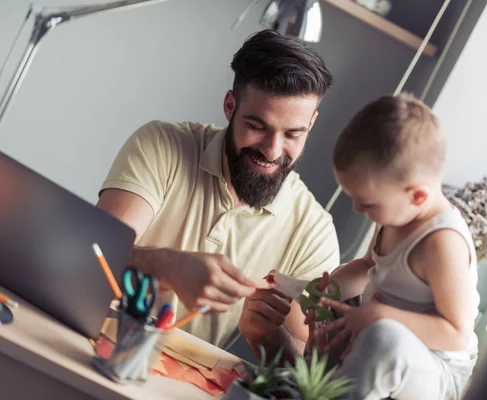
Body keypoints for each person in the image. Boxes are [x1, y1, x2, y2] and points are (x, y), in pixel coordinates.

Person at [96, 29, 340, 363]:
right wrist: (164, 265)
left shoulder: (313, 230)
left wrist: (267, 336)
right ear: (230, 106)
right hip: (93, 344)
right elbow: (93, 251)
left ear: (310, 125)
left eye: (292, 134)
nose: (272, 150)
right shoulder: (161, 144)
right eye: (257, 126)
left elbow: (313, 368)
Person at [307, 93, 480, 400]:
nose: (358, 209)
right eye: (353, 197)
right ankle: (314, 389)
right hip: (380, 336)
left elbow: (455, 333)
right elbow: (367, 267)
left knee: (383, 337)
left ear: (417, 196)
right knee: (332, 314)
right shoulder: (396, 215)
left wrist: (379, 316)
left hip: (435, 369)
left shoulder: (442, 243)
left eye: (367, 202)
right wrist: (329, 292)